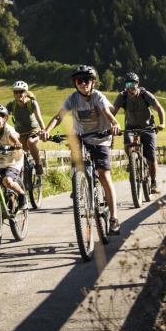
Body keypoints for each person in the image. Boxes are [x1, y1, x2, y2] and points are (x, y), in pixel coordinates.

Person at [43, 65, 122, 234]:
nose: (83, 84)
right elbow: (59, 116)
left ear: (93, 82)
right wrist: (47, 130)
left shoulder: (97, 96)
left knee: (103, 174)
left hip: (101, 138)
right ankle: (79, 184)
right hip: (81, 136)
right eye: (80, 81)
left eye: (87, 80)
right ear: (75, 83)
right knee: (75, 154)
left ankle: (114, 218)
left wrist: (115, 123)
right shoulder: (72, 98)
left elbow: (106, 112)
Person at [111, 72, 166, 196]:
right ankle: (132, 162)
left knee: (151, 157)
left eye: (133, 83)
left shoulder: (145, 95)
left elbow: (159, 108)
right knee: (127, 146)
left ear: (137, 83)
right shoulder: (122, 96)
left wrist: (162, 124)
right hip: (130, 126)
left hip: (148, 127)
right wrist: (111, 124)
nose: (131, 86)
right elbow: (112, 112)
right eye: (128, 84)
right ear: (125, 85)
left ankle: (153, 182)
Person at [6, 80, 47, 180]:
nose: (18, 94)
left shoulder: (32, 103)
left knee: (31, 142)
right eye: (16, 92)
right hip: (19, 133)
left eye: (21, 91)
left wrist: (44, 130)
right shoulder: (11, 105)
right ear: (13, 94)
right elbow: (3, 119)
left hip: (33, 130)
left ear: (25, 93)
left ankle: (38, 165)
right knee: (11, 149)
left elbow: (39, 118)